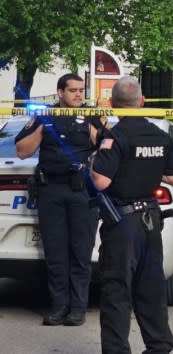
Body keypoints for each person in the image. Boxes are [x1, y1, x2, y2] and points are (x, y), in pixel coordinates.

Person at [90, 76, 173, 354]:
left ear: (113, 104)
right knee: (150, 288)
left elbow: (100, 182)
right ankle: (159, 346)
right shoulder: (161, 136)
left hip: (123, 223)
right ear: (142, 102)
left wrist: (94, 162)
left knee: (117, 291)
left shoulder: (115, 137)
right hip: (151, 221)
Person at [15, 73, 109, 326]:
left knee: (80, 251)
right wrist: (46, 127)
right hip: (51, 191)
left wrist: (95, 129)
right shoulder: (45, 116)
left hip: (82, 192)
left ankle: (77, 308)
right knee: (56, 254)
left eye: (81, 90)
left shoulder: (91, 116)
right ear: (60, 93)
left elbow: (107, 147)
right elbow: (23, 151)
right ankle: (58, 307)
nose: (78, 94)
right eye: (73, 90)